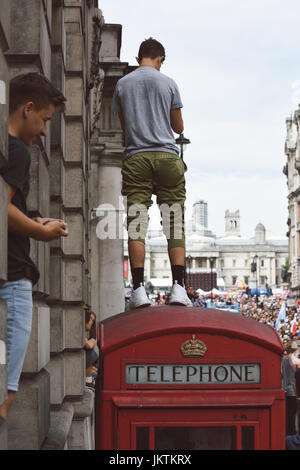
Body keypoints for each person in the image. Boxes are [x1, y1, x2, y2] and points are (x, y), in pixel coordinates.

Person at [0, 73, 68, 421]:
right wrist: (40, 234)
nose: (44, 131)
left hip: (8, 269)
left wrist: (35, 221)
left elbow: (11, 207)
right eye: (44, 120)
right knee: (5, 394)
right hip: (12, 277)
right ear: (28, 109)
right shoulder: (17, 152)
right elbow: (2, 209)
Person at [112, 37, 192, 309]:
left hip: (136, 158)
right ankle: (179, 288)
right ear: (160, 60)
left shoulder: (123, 85)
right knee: (174, 223)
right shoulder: (168, 83)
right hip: (168, 158)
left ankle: (137, 291)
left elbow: (124, 125)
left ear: (138, 58)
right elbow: (178, 127)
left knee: (137, 225)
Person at [282, 341, 298, 435]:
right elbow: (295, 372)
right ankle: (292, 431)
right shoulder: (293, 359)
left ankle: (288, 430)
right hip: (293, 389)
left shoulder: (283, 359)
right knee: (293, 412)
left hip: (285, 387)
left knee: (288, 412)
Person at [84, 309, 99, 388]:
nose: (91, 322)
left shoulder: (91, 339)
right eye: (90, 319)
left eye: (93, 320)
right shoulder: (83, 336)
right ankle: (89, 380)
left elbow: (89, 345)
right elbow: (88, 346)